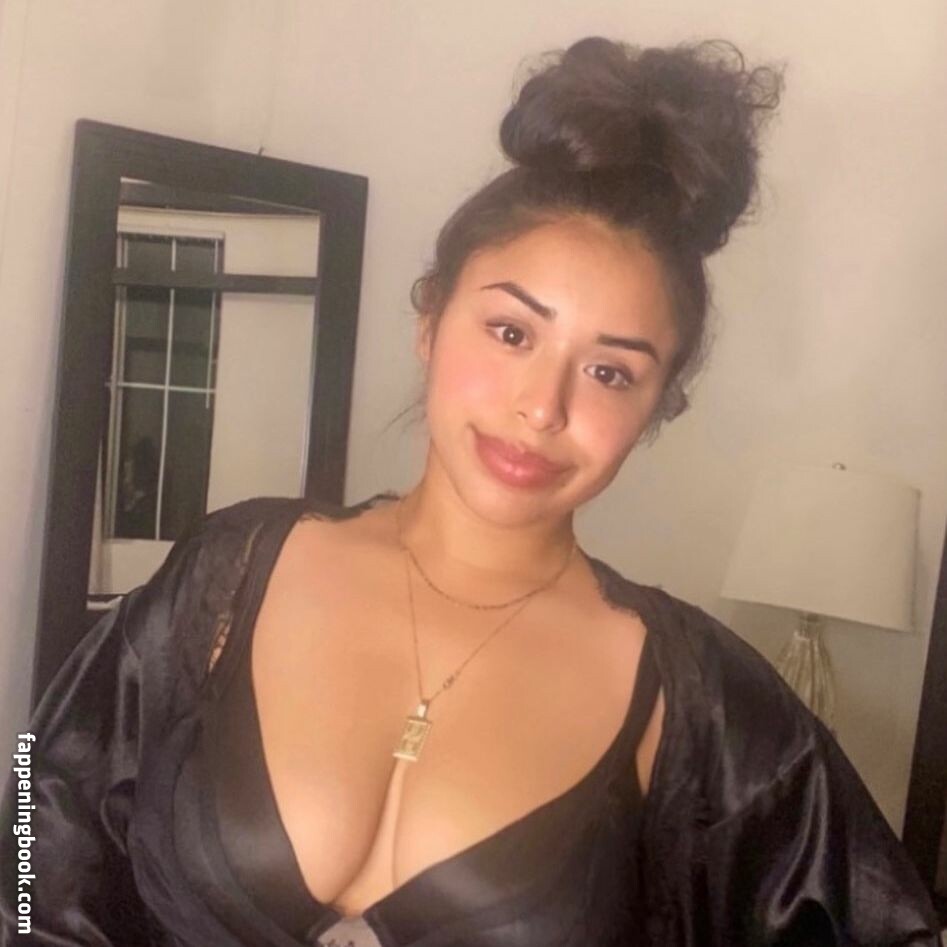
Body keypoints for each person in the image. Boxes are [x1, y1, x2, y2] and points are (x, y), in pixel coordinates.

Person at [1, 37, 939, 947]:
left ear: (657, 407)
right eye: (510, 332)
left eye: (610, 372)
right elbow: (36, 838)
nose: (542, 406)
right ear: (430, 317)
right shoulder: (230, 572)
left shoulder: (700, 703)